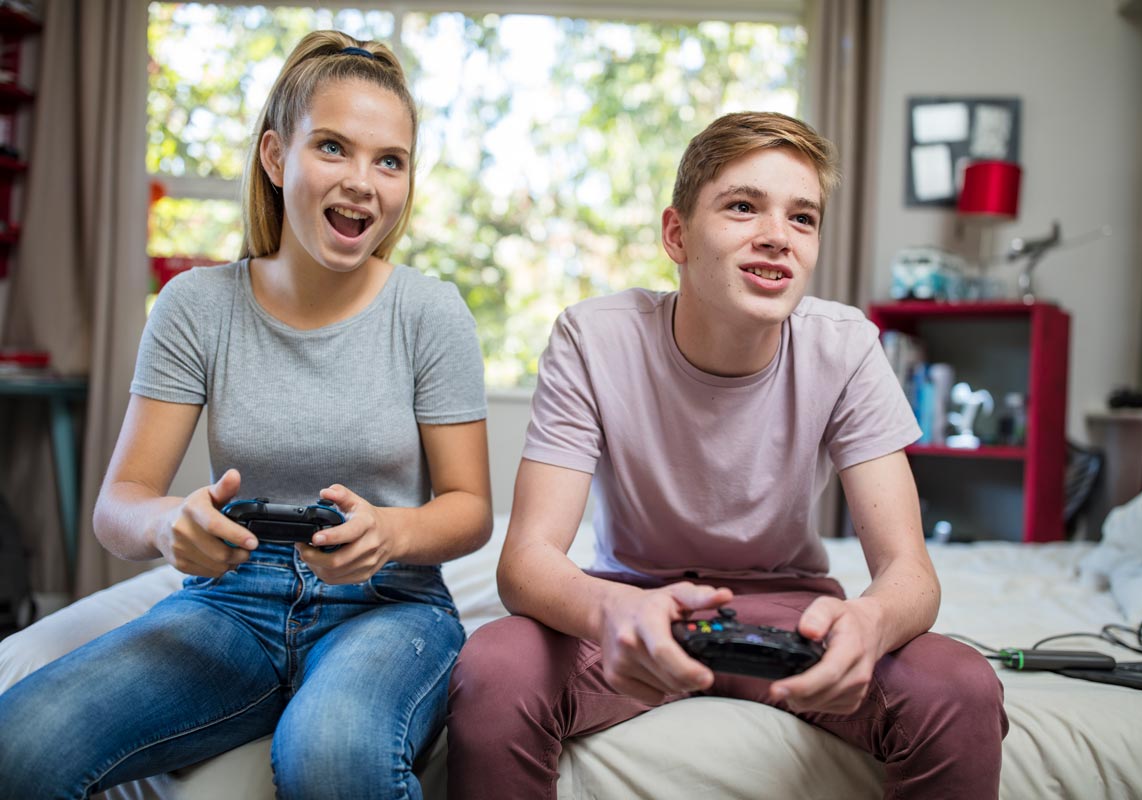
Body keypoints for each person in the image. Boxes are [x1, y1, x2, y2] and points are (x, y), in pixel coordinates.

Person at [446, 111, 1007, 799]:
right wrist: (608, 610)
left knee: (960, 686)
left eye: (802, 218)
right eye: (743, 207)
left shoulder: (847, 346)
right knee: (495, 670)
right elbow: (527, 562)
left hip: (791, 610)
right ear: (676, 235)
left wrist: (872, 618)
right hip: (635, 605)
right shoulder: (593, 339)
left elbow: (909, 571)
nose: (776, 236)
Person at [0, 31, 491, 799]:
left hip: (389, 604)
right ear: (274, 156)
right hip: (233, 601)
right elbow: (118, 505)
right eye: (333, 147)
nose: (364, 183)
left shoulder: (430, 312)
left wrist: (390, 532)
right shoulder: (197, 306)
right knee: (18, 744)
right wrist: (170, 527)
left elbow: (470, 511)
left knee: (331, 756)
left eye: (389, 161)